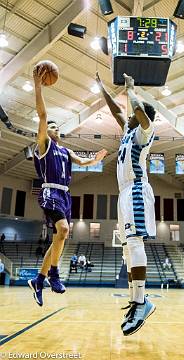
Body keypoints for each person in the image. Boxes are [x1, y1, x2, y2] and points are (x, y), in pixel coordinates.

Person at [28, 64, 107, 307]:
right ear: (45, 132)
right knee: (63, 232)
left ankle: (39, 280)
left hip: (65, 196)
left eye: (58, 127)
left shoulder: (64, 149)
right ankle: (53, 274)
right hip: (50, 190)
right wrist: (38, 87)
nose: (56, 129)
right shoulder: (44, 145)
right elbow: (42, 115)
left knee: (58, 238)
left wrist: (94, 159)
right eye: (53, 127)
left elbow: (82, 160)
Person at [97, 72, 156, 336]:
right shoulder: (127, 132)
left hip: (136, 191)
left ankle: (142, 302)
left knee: (134, 243)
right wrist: (102, 89)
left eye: (133, 113)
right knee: (126, 250)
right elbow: (114, 110)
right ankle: (135, 301)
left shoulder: (145, 131)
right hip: (123, 194)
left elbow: (139, 112)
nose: (128, 115)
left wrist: (132, 90)